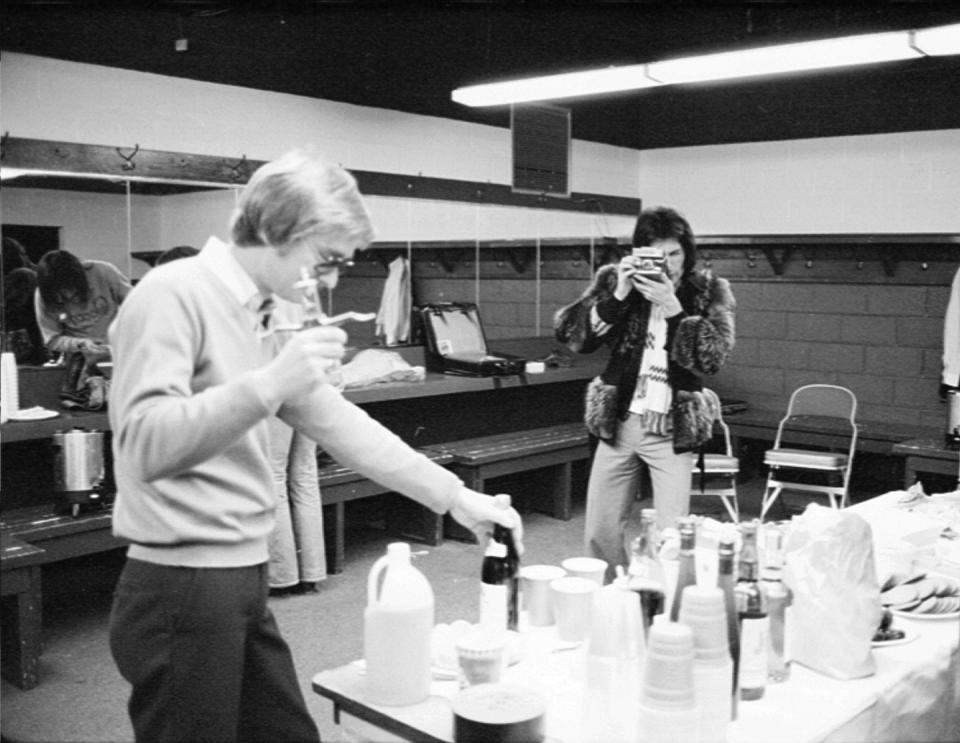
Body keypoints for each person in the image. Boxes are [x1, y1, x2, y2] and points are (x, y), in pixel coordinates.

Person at [107, 149, 523, 743]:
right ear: (280, 232)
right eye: (326, 260)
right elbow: (145, 446)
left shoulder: (262, 312)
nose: (329, 281)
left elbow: (336, 421)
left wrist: (455, 498)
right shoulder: (171, 293)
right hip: (182, 586)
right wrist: (271, 383)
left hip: (240, 577)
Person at [554, 206, 735, 579]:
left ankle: (661, 609)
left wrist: (673, 308)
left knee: (671, 537)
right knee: (600, 530)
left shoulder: (707, 290)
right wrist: (618, 294)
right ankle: (611, 601)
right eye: (656, 254)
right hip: (620, 420)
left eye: (674, 253)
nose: (666, 263)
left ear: (687, 253)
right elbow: (572, 337)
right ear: (637, 254)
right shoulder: (615, 280)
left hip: (671, 427)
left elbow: (712, 358)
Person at [265, 297, 327, 597]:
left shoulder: (257, 291)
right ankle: (312, 574)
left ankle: (282, 576)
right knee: (305, 476)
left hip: (280, 384)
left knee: (273, 476)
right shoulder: (300, 290)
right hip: (314, 384)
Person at [35, 248, 132, 360]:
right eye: (61, 293)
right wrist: (81, 344)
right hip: (79, 357)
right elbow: (51, 340)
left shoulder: (103, 272)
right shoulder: (42, 296)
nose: (69, 296)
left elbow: (136, 305)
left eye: (72, 288)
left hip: (119, 350)